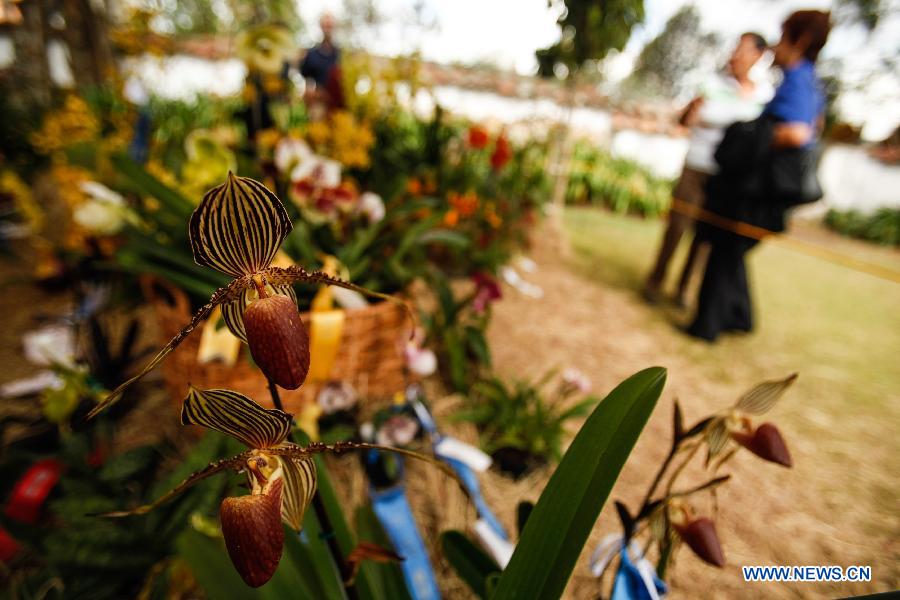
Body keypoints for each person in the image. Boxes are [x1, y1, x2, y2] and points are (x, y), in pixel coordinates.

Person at [687, 10, 831, 342]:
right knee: (733, 251)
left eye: (783, 37)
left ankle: (706, 325)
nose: (776, 48)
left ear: (801, 40)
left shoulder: (797, 77)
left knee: (726, 248)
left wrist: (747, 138)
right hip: (766, 189)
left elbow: (796, 134)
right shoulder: (808, 82)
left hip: (760, 191)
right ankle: (739, 317)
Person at [644, 33, 771, 306]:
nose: (735, 54)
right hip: (697, 165)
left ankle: (683, 290)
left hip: (726, 176)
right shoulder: (712, 84)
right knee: (677, 227)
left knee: (705, 235)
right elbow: (690, 118)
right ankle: (655, 280)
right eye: (735, 47)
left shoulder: (762, 94)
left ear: (758, 56)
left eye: (743, 49)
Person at [298, 13, 344, 112]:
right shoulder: (311, 54)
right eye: (325, 25)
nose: (328, 28)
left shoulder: (341, 54)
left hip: (340, 106)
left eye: (330, 25)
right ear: (321, 27)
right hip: (320, 106)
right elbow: (307, 84)